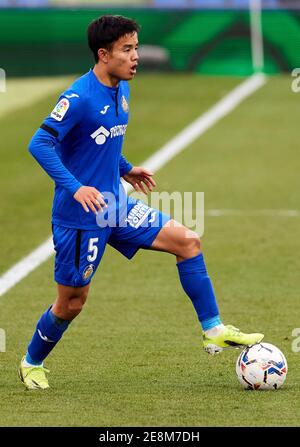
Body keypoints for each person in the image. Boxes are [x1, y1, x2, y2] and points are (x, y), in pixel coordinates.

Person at [18, 15, 263, 390]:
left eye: (135, 48)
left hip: (116, 205)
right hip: (82, 218)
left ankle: (213, 330)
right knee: (71, 304)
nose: (136, 57)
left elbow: (99, 141)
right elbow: (40, 143)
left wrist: (126, 168)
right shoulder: (78, 97)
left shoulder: (122, 90)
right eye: (127, 50)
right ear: (104, 54)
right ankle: (32, 361)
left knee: (188, 241)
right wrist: (75, 187)